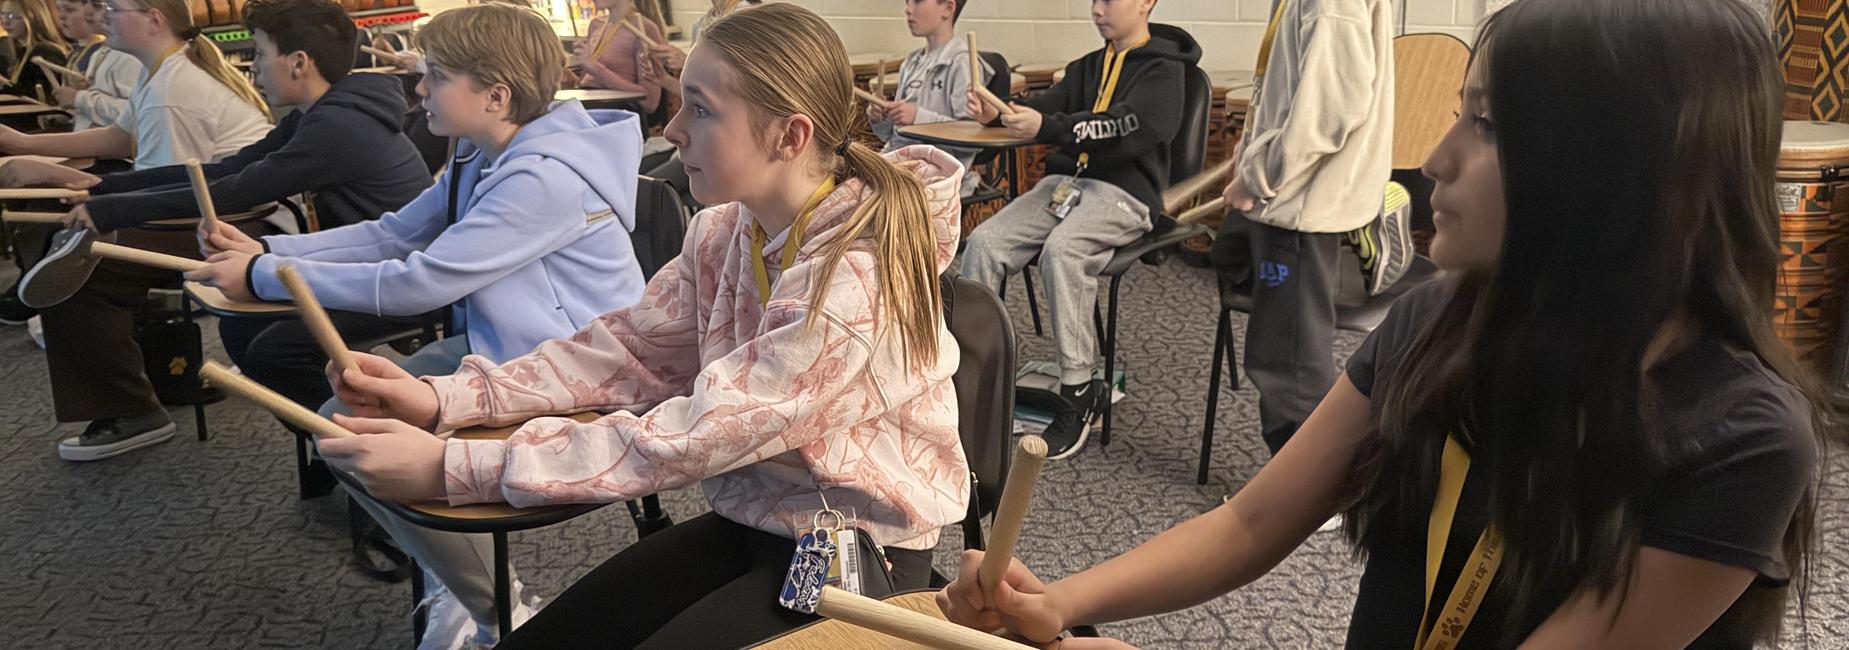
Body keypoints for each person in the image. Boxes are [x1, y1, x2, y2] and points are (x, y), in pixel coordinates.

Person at [938, 1, 1828, 648]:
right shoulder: (1435, 322)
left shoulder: (1740, 439)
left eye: (1483, 125)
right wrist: (1057, 603)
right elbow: (1249, 525)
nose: (1435, 159)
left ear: (1614, 172)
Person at [317, 4, 970, 647]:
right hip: (756, 521)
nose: (675, 127)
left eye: (702, 108)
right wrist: (448, 397)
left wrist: (457, 468)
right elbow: (628, 351)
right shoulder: (724, 229)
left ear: (789, 136)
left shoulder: (858, 275)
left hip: (855, 546)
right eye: (681, 101)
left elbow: (702, 430)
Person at [187, 5, 649, 645]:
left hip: (578, 369)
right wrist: (270, 255)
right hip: (512, 349)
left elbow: (421, 281)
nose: (418, 88)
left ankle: (496, 608)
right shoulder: (479, 151)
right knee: (346, 426)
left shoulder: (545, 178)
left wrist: (265, 278)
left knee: (348, 433)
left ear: (496, 95)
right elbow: (395, 234)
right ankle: (462, 581)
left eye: (434, 75)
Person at [47, 0, 435, 412]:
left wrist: (112, 209)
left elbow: (237, 191)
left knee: (274, 350)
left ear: (298, 62)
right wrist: (104, 187)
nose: (254, 68)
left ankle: (370, 440)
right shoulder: (319, 113)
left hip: (398, 279)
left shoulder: (338, 126)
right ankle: (343, 443)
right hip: (356, 265)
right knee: (243, 330)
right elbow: (226, 170)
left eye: (261, 54)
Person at [958, 0, 1198, 459]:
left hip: (1126, 195)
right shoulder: (1089, 66)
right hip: (1066, 185)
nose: (1097, 9)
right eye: (1094, 0)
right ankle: (980, 378)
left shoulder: (1166, 71)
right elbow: (1045, 108)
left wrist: (1046, 125)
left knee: (1063, 251)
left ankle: (1077, 390)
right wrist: (998, 113)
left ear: (1146, 2)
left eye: (1110, 0)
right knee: (984, 243)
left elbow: (1125, 126)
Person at [1214, 0, 1399, 457]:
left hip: (1299, 208)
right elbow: (1291, 88)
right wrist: (1249, 150)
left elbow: (1330, 110)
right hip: (1288, 198)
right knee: (1228, 260)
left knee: (1288, 364)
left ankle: (1307, 495)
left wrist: (1258, 176)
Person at [0, 0, 271, 169]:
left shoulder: (172, 90)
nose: (103, 18)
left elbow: (162, 190)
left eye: (112, 9)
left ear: (153, 19)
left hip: (247, 226)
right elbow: (120, 138)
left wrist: (67, 180)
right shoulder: (159, 71)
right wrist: (23, 144)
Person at [866, 0, 991, 198]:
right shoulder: (912, 62)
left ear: (948, 8)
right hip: (900, 162)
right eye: (907, 2)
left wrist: (918, 117)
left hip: (938, 172)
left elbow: (973, 136)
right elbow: (890, 135)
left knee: (865, 199)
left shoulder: (963, 62)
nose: (908, 9)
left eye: (917, 1)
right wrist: (881, 117)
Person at [51, 0, 141, 131]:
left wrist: (79, 98)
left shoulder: (130, 55)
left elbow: (135, 113)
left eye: (97, 5)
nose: (87, 10)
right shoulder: (101, 52)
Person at [571, 0, 663, 118]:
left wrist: (597, 69)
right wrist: (570, 78)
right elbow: (590, 84)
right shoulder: (596, 25)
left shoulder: (643, 28)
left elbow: (650, 102)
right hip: (591, 110)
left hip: (620, 116)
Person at [1, 0, 69, 101]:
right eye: (2, 15)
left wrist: (4, 85)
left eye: (12, 16)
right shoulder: (22, 51)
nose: (5, 22)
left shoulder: (46, 52)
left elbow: (42, 97)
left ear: (32, 17)